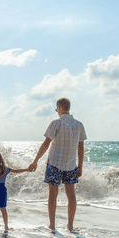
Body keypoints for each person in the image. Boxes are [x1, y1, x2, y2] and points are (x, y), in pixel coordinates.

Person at [28, 98, 86, 231]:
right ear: (68, 108)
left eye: (56, 109)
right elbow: (81, 148)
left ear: (59, 108)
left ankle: (52, 225)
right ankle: (70, 226)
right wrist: (80, 166)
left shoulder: (56, 123)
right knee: (71, 196)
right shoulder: (79, 125)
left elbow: (46, 144)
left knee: (52, 195)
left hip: (54, 164)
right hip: (71, 165)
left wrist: (35, 160)